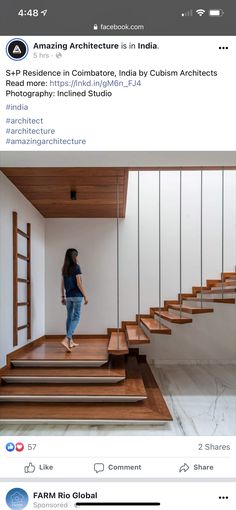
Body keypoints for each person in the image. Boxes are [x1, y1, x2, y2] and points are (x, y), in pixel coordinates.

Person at [61, 248, 88, 352]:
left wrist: (62, 296)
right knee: (76, 318)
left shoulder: (64, 268)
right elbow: (79, 283)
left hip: (68, 296)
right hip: (77, 296)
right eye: (77, 255)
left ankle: (70, 342)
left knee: (69, 317)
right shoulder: (77, 267)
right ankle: (67, 338)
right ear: (74, 256)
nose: (77, 257)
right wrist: (85, 295)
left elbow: (62, 284)